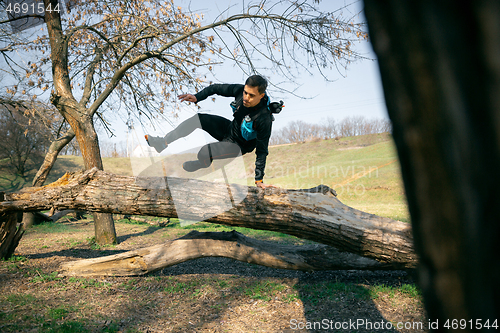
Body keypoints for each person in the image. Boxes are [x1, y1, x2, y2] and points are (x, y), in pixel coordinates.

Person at [145, 75, 276, 189]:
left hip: (239, 146)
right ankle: (163, 142)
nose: (246, 98)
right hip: (229, 129)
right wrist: (197, 97)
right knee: (199, 119)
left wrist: (259, 180)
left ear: (261, 95)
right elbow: (215, 88)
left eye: (251, 95)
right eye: (245, 92)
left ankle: (204, 162)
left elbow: (262, 151)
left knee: (204, 152)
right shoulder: (240, 91)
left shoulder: (264, 119)